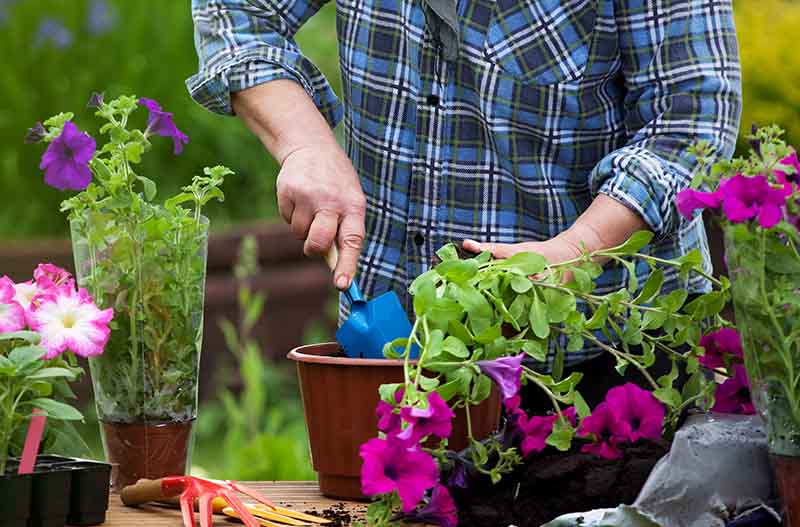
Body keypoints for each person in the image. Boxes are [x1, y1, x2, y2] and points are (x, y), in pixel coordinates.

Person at [187, 0, 741, 391]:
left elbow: (692, 119)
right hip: (394, 346)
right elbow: (237, 12)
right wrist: (305, 145)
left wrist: (581, 247)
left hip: (609, 353)